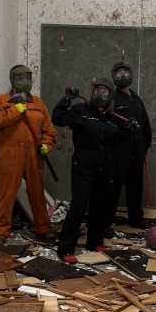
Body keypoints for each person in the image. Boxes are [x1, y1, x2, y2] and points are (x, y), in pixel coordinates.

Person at [52, 78, 137, 263]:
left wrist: (128, 129)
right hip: (83, 166)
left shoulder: (111, 118)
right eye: (97, 89)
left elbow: (114, 141)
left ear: (110, 95)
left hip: (106, 168)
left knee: (100, 206)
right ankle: (65, 249)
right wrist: (66, 99)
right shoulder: (80, 111)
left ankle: (95, 241)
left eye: (104, 91)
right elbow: (57, 118)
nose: (100, 94)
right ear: (91, 91)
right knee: (79, 207)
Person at [0, 64, 57, 244]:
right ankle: (0, 233)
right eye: (20, 78)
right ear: (12, 80)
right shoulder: (2, 101)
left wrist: (47, 146)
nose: (24, 81)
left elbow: (50, 131)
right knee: (6, 195)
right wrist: (15, 110)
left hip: (34, 154)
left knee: (37, 194)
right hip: (10, 153)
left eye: (27, 77)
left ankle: (43, 228)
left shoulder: (38, 103)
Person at [108, 61, 152, 228]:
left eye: (125, 72)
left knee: (135, 187)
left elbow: (145, 124)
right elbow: (107, 126)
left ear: (131, 74)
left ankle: (136, 219)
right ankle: (105, 223)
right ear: (114, 77)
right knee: (114, 188)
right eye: (118, 73)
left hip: (137, 151)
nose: (123, 76)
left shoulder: (135, 98)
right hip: (119, 151)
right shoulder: (112, 98)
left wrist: (144, 145)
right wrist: (121, 134)